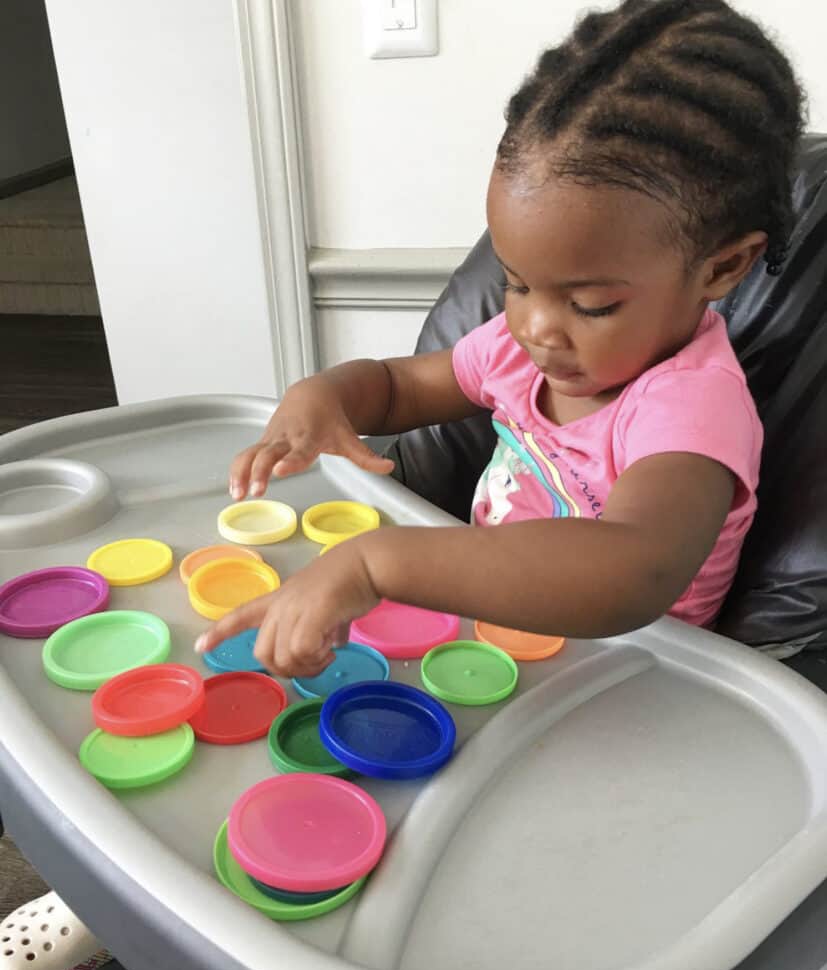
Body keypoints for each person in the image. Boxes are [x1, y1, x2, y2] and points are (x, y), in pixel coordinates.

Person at [197, 0, 804, 680]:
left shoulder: (690, 406)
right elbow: (396, 388)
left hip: (626, 681)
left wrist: (377, 565)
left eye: (589, 304)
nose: (536, 328)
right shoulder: (520, 350)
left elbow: (634, 567)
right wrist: (320, 398)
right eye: (515, 283)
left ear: (721, 267)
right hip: (492, 643)